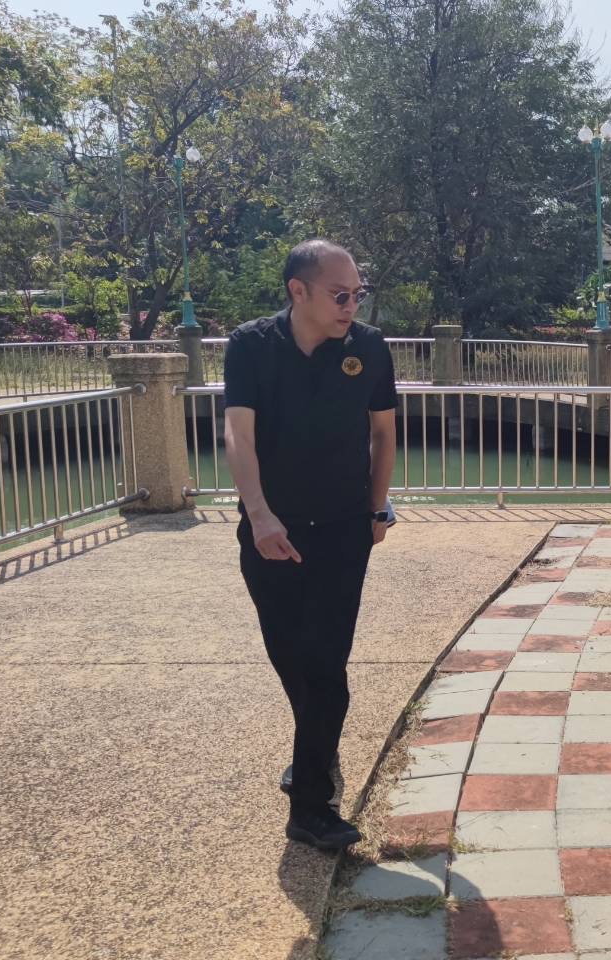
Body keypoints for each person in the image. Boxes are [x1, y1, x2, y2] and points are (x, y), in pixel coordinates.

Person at [223, 239, 397, 850]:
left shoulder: (370, 348)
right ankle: (315, 756)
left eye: (357, 294)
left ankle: (310, 806)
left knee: (327, 669)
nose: (352, 305)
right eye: (339, 294)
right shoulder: (251, 345)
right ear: (298, 291)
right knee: (292, 658)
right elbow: (239, 437)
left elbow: (382, 434)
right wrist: (262, 515)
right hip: (273, 534)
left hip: (346, 530)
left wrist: (378, 507)